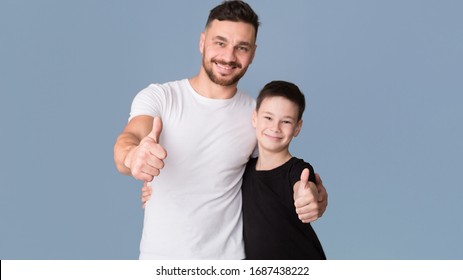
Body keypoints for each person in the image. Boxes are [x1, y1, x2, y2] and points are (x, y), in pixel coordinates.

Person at [114, 0, 328, 259]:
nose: (228, 57)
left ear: (253, 53)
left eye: (242, 47)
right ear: (202, 42)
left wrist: (311, 197)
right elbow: (130, 138)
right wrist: (133, 157)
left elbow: (280, 172)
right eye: (220, 42)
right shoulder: (161, 97)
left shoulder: (257, 116)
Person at [242, 80, 326, 259]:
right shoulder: (244, 170)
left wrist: (306, 197)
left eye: (286, 122)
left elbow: (303, 188)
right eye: (268, 118)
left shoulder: (297, 170)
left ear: (297, 128)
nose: (275, 128)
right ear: (255, 118)